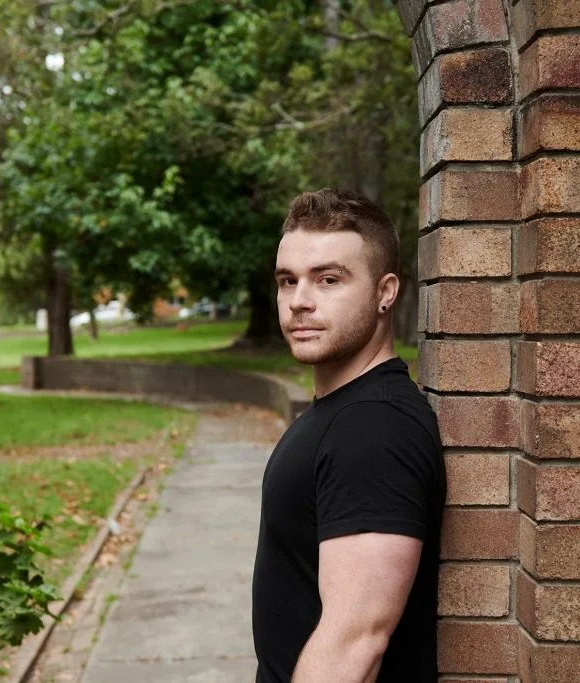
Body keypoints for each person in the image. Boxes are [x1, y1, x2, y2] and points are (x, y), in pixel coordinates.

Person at [251, 188, 445, 683]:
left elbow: (354, 646)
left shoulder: (374, 431)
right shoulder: (344, 413)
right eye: (287, 280)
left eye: (328, 279)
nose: (299, 301)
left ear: (385, 292)